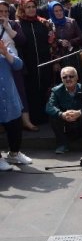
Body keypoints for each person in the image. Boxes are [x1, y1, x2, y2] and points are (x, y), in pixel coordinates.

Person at [16, 0, 55, 126]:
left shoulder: (44, 23)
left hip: (45, 62)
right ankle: (32, 119)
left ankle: (46, 117)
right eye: (28, 7)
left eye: (33, 7)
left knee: (45, 88)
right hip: (28, 63)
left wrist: (55, 61)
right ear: (22, 8)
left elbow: (52, 44)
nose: (32, 9)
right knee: (30, 90)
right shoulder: (17, 24)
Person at [46, 66, 82, 154]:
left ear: (77, 77)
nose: (68, 79)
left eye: (71, 76)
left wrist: (79, 112)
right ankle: (62, 144)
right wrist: (61, 114)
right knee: (53, 116)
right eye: (65, 77)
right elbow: (49, 107)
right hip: (65, 121)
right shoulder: (56, 91)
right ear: (61, 79)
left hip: (81, 120)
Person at [0, 39, 32, 170]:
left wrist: (6, 53)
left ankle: (14, 153)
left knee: (15, 128)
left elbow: (18, 65)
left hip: (9, 97)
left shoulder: (5, 48)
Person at [49, 1, 82, 73]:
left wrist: (71, 42)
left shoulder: (71, 21)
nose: (59, 13)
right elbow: (48, 40)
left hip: (72, 55)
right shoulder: (49, 24)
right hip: (57, 58)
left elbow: (81, 36)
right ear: (51, 12)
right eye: (56, 11)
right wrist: (60, 42)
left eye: (60, 10)